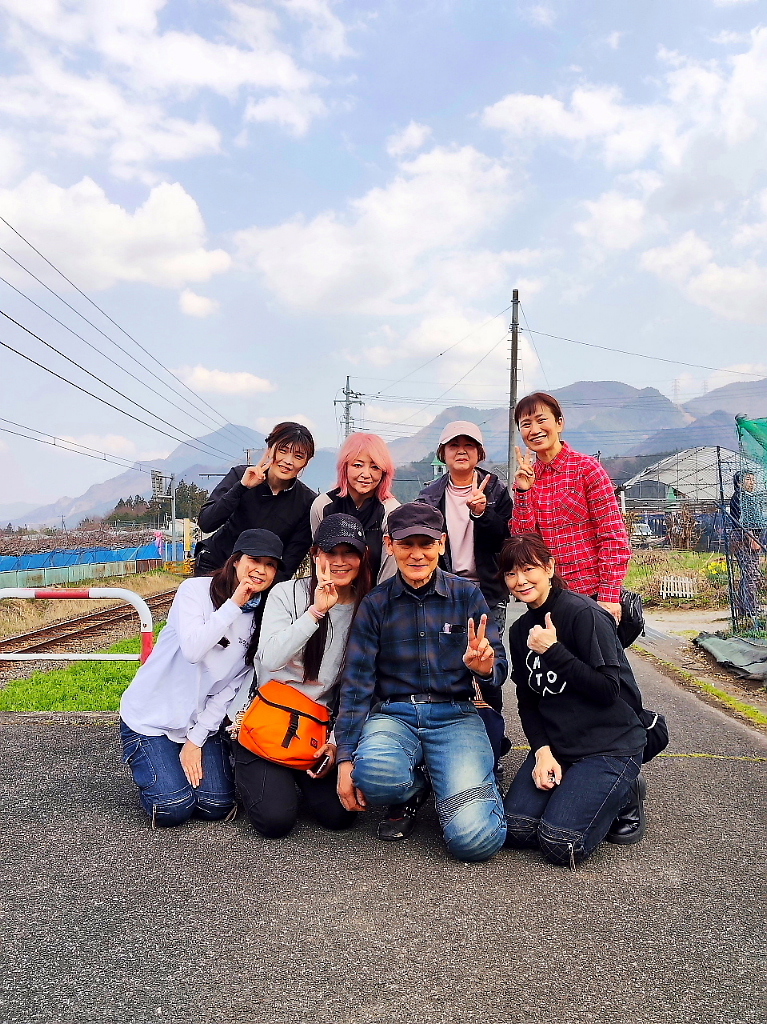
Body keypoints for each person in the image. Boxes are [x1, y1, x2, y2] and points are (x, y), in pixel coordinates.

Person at [334, 502, 507, 862]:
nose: (417, 554)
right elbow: (356, 683)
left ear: (442, 544)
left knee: (474, 842)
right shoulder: (375, 603)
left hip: (455, 715)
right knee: (372, 776)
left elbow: (499, 666)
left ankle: (462, 794)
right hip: (394, 716)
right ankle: (417, 787)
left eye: (426, 544)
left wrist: (485, 668)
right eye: (406, 544)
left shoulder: (466, 595)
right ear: (389, 545)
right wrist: (345, 759)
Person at [500, 533, 649, 868]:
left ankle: (626, 791)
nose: (520, 580)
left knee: (560, 843)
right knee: (515, 829)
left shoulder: (584, 614)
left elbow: (608, 690)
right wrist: (542, 752)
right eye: (511, 573)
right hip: (560, 746)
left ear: (549, 567)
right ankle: (578, 790)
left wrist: (554, 652)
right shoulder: (520, 630)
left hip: (608, 744)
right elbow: (527, 699)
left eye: (528, 569)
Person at [119, 529, 283, 828]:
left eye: (270, 565)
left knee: (216, 805)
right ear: (236, 560)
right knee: (173, 808)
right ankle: (157, 760)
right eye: (254, 560)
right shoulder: (195, 591)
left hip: (198, 723)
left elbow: (231, 688)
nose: (261, 570)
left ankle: (178, 759)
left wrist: (195, 741)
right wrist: (233, 605)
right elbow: (194, 650)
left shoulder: (262, 617)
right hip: (150, 718)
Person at [232, 514, 373, 838]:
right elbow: (268, 660)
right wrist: (316, 612)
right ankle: (252, 763)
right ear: (315, 554)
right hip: (270, 716)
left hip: (316, 726)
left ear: (363, 556)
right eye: (330, 552)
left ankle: (293, 774)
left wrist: (337, 744)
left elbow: (360, 687)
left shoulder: (367, 606)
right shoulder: (287, 594)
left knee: (339, 816)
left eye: (349, 553)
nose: (340, 561)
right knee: (275, 821)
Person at [512, 392, 631, 622]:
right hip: (547, 598)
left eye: (541, 420)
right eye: (526, 424)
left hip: (591, 596)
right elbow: (523, 541)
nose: (534, 429)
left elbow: (613, 536)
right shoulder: (527, 477)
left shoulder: (587, 469)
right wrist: (524, 492)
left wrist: (609, 595)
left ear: (559, 423)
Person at [417, 419, 512, 643]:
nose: (461, 451)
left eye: (469, 445)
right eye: (454, 445)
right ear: (443, 453)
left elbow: (505, 542)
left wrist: (483, 513)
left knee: (487, 656)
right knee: (445, 657)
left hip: (488, 594)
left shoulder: (496, 491)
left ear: (479, 453)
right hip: (442, 592)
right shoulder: (429, 497)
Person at [196, 421, 316, 579]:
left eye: (298, 456)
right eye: (283, 450)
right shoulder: (241, 475)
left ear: (306, 462)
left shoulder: (307, 502)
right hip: (216, 565)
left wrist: (264, 588)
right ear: (269, 449)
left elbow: (290, 561)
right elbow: (206, 523)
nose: (288, 461)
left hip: (259, 578)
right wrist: (242, 487)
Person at [310, 432, 400, 583]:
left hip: (378, 593)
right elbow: (320, 558)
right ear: (344, 466)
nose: (366, 474)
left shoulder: (391, 511)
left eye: (375, 467)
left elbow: (389, 572)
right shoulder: (323, 505)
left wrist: (377, 597)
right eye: (358, 465)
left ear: (384, 472)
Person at [729, 471, 766, 621]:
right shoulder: (741, 497)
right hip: (744, 537)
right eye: (748, 479)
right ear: (739, 482)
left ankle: (744, 608)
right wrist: (752, 538)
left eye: (753, 480)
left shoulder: (749, 497)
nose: (752, 482)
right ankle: (751, 609)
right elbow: (744, 521)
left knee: (750, 573)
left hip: (750, 536)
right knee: (752, 574)